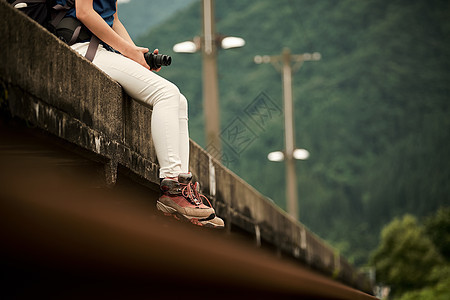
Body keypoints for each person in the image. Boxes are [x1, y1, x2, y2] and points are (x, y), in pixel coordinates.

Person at [59, 0, 223, 228]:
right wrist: (128, 52)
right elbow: (84, 12)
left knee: (179, 101)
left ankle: (184, 190)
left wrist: (136, 54)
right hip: (80, 46)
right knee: (166, 93)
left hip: (101, 48)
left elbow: (112, 19)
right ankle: (173, 187)